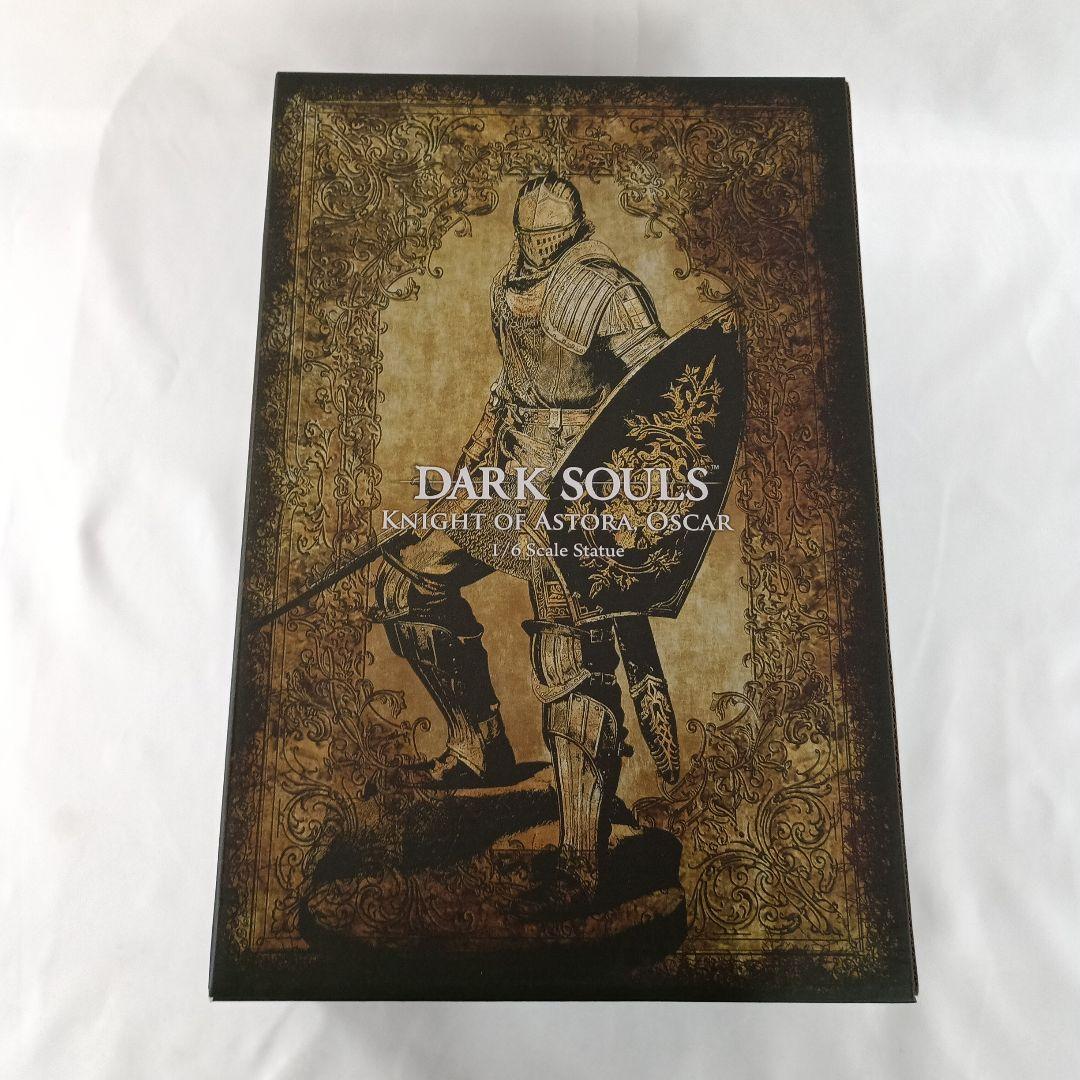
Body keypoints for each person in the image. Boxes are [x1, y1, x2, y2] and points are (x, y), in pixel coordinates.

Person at [368, 171, 668, 911]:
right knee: (407, 584)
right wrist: (462, 478)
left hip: (583, 497)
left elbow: (661, 393)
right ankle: (480, 744)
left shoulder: (608, 291)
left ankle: (582, 862)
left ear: (571, 233)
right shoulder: (509, 287)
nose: (537, 247)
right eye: (529, 235)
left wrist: (627, 498)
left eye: (548, 236)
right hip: (512, 478)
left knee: (570, 663)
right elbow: (511, 388)